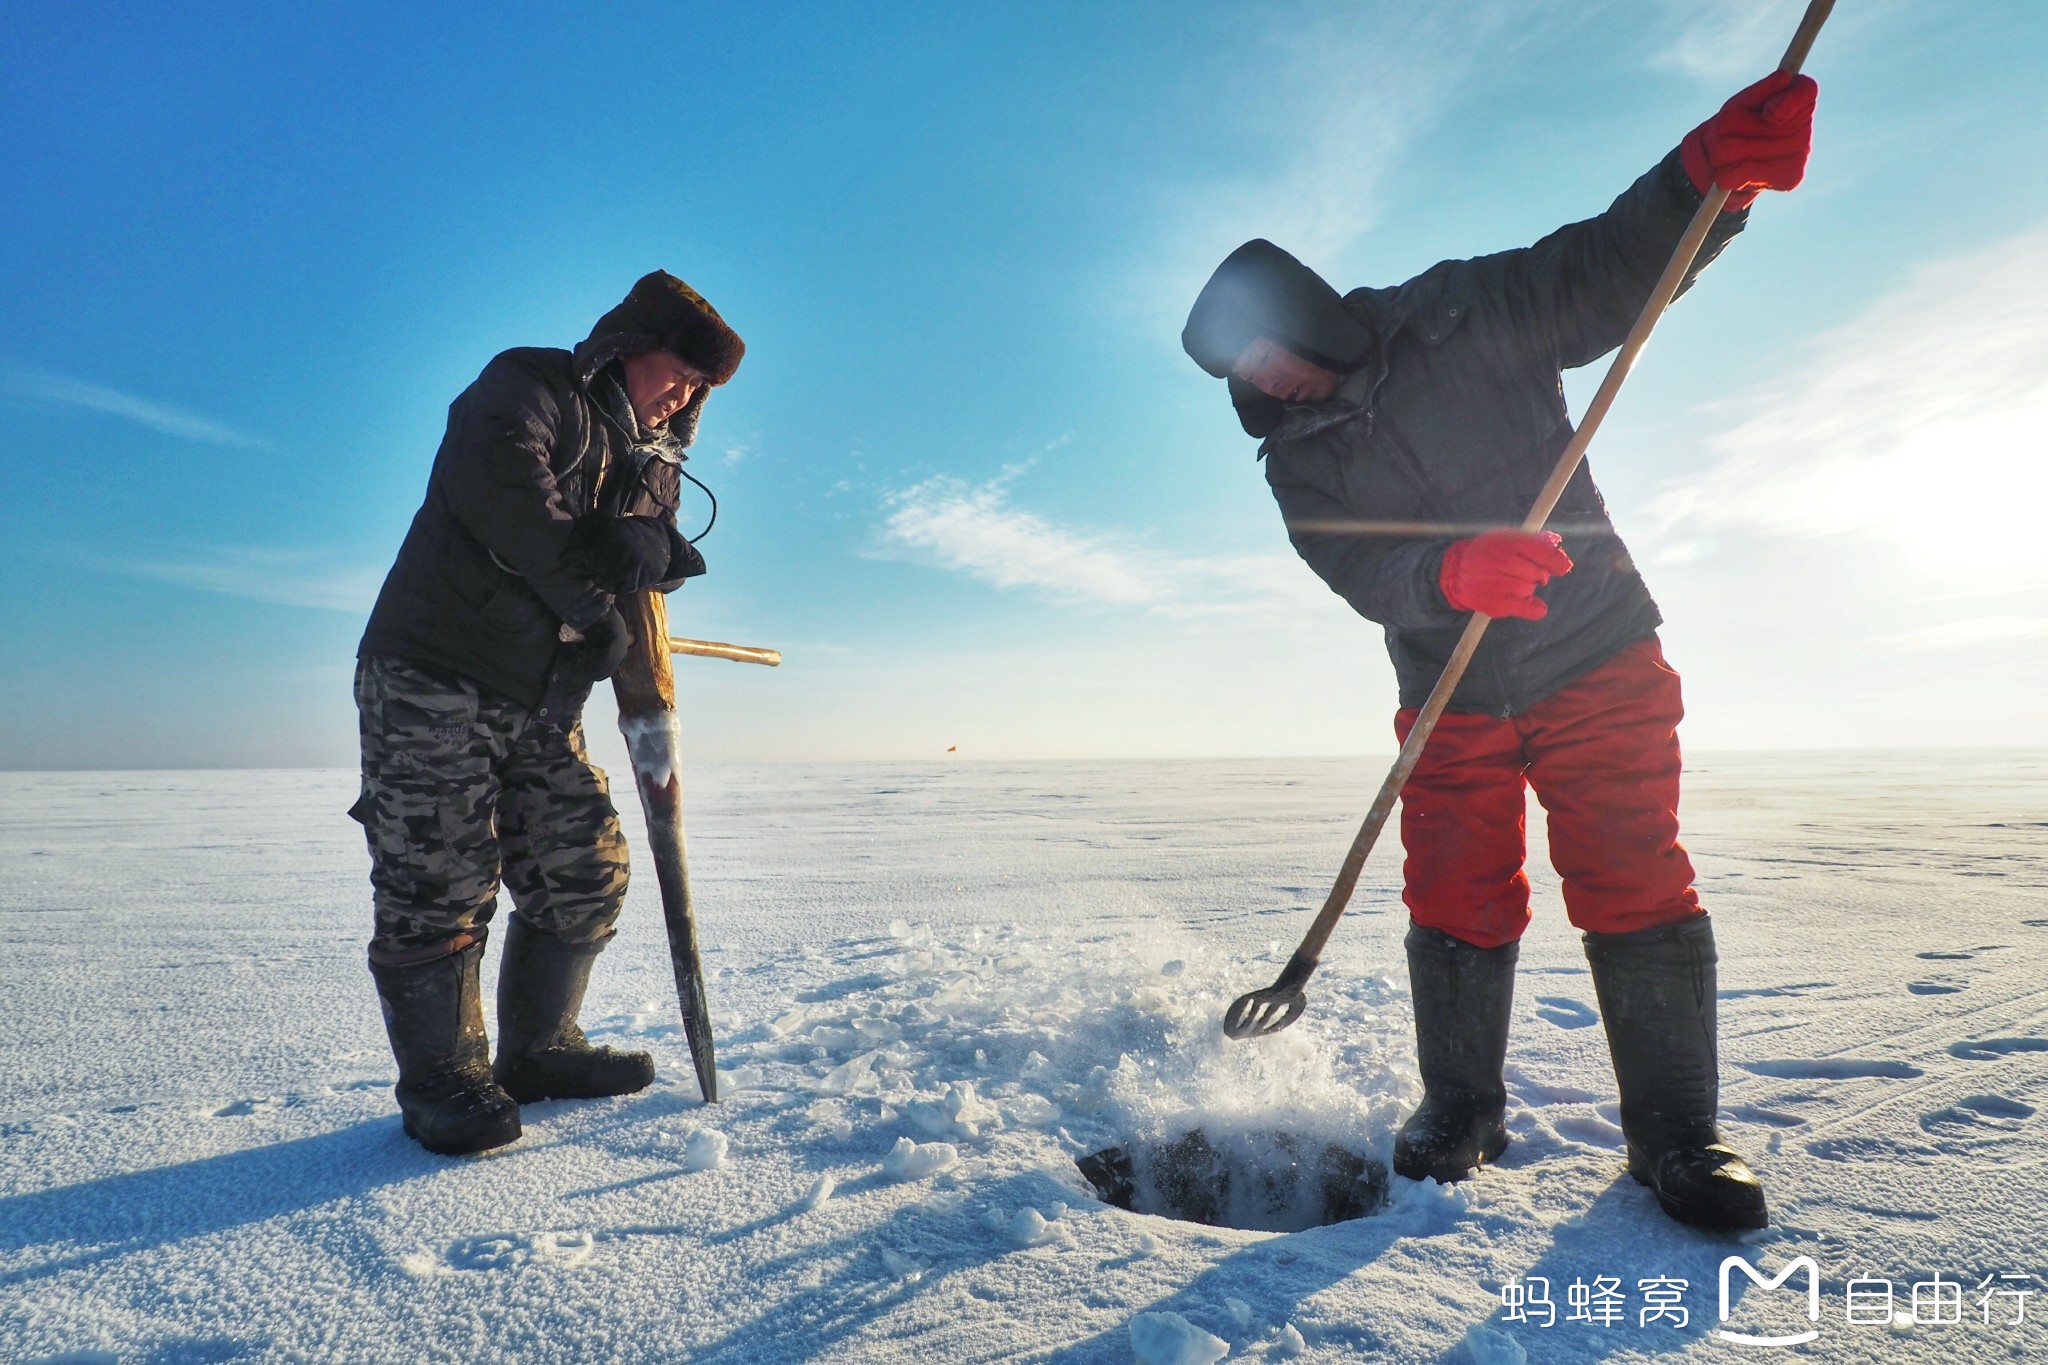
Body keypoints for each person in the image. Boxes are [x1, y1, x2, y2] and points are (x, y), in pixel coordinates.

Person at [1180, 73, 1817, 1229]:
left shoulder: (1460, 311)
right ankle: (1461, 1104)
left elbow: (1600, 269)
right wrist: (1441, 577)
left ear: (1306, 312)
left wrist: (1703, 182)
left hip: (1593, 648)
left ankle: (1677, 1140)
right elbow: (1357, 572)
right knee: (1455, 890)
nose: (1265, 386)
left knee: (1630, 878)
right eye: (1245, 382)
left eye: (1266, 355)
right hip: (1449, 691)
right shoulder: (1296, 464)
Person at [352, 271, 744, 1155]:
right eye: (676, 371)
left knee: (584, 863)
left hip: (542, 696)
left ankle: (539, 1048)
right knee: (437, 876)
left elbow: (648, 559)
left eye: (696, 389)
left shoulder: (653, 462)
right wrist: (593, 602)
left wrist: (655, 547)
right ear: (625, 343)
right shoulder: (528, 386)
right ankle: (445, 1079)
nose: (682, 395)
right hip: (436, 670)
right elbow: (507, 499)